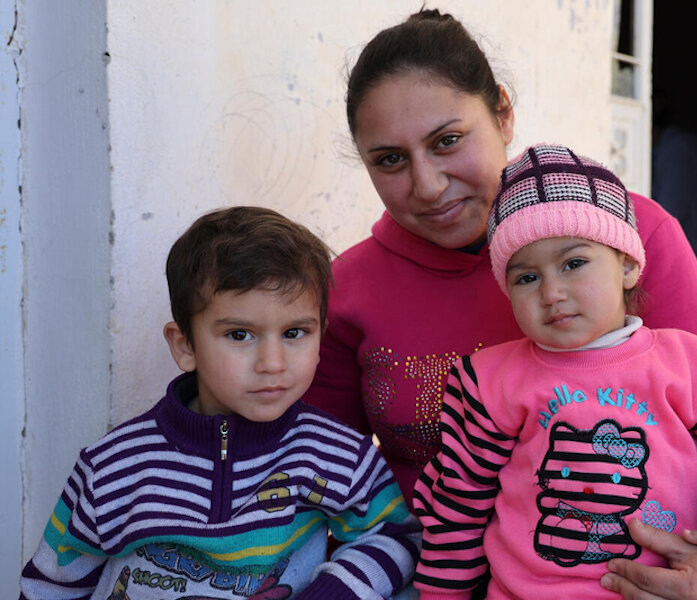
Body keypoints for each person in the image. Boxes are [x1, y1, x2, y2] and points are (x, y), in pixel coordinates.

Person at [303, 8, 697, 599]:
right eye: (389, 160)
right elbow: (321, 472)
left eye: (448, 141)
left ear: (503, 114)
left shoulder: (628, 233)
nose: (428, 184)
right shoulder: (347, 288)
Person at [412, 143, 697, 600]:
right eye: (527, 277)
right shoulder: (489, 382)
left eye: (574, 263)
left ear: (626, 264)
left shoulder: (691, 365)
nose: (552, 293)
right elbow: (456, 512)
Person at [20, 206, 420, 599]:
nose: (272, 364)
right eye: (240, 335)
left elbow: (394, 536)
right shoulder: (114, 467)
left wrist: (335, 592)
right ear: (185, 345)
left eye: (295, 332)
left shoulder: (336, 454)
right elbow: (49, 585)